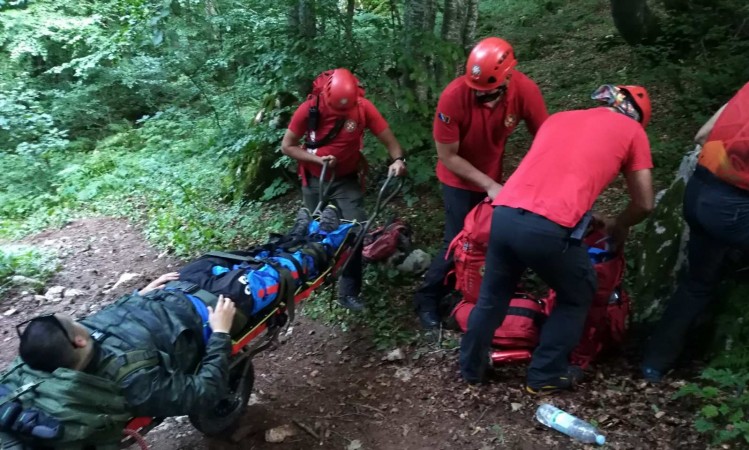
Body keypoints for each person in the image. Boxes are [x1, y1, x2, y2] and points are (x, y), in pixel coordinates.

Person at [9, 206, 345, 420]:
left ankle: (297, 236)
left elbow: (109, 317)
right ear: (79, 341)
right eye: (75, 323)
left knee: (234, 257)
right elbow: (203, 393)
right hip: (209, 312)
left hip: (175, 293)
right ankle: (324, 241)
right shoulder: (134, 383)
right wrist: (220, 335)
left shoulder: (79, 344)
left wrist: (140, 294)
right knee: (272, 276)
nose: (80, 321)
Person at [459, 84, 655, 393]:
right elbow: (644, 202)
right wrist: (619, 223)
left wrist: (588, 216)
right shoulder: (632, 132)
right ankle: (546, 374)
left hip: (506, 213)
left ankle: (471, 368)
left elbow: (554, 173)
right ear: (637, 116)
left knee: (492, 298)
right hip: (547, 228)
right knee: (579, 291)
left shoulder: (559, 118)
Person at [413, 37, 549, 329]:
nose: (481, 99)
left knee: (497, 238)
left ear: (507, 79)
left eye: (489, 95)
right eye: (477, 93)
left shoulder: (525, 91)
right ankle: (428, 298)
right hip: (458, 177)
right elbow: (448, 156)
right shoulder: (454, 96)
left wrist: (530, 178)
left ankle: (481, 291)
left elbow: (546, 139)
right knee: (458, 240)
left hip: (494, 176)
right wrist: (488, 184)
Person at [641, 82, 749, 382]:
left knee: (698, 283)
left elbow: (702, 135)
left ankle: (654, 363)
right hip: (732, 208)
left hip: (699, 190)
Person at [281, 68, 407, 312]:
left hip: (346, 178)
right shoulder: (309, 109)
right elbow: (287, 146)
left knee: (357, 230)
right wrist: (317, 160)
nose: (341, 112)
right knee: (313, 230)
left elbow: (389, 139)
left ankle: (349, 290)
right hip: (315, 178)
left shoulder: (362, 108)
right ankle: (312, 277)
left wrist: (398, 159)